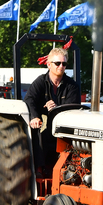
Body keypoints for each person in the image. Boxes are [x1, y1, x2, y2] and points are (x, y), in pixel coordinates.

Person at [24, 47, 81, 175]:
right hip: (43, 124)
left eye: (64, 64)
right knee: (38, 129)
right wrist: (34, 117)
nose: (61, 66)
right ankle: (38, 168)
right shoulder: (40, 82)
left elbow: (73, 109)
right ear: (49, 64)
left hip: (63, 127)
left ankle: (68, 169)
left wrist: (56, 109)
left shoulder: (72, 86)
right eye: (57, 63)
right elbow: (29, 99)